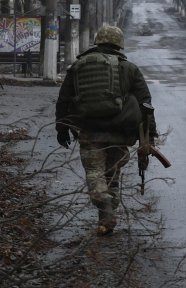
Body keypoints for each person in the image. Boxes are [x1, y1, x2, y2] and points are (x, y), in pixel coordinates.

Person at [55, 25, 157, 236]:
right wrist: (149, 137)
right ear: (119, 44)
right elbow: (146, 104)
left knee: (95, 174)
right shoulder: (129, 68)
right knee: (112, 175)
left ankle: (106, 212)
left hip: (89, 131)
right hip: (120, 133)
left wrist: (62, 128)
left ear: (97, 41)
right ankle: (107, 216)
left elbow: (64, 100)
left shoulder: (79, 66)